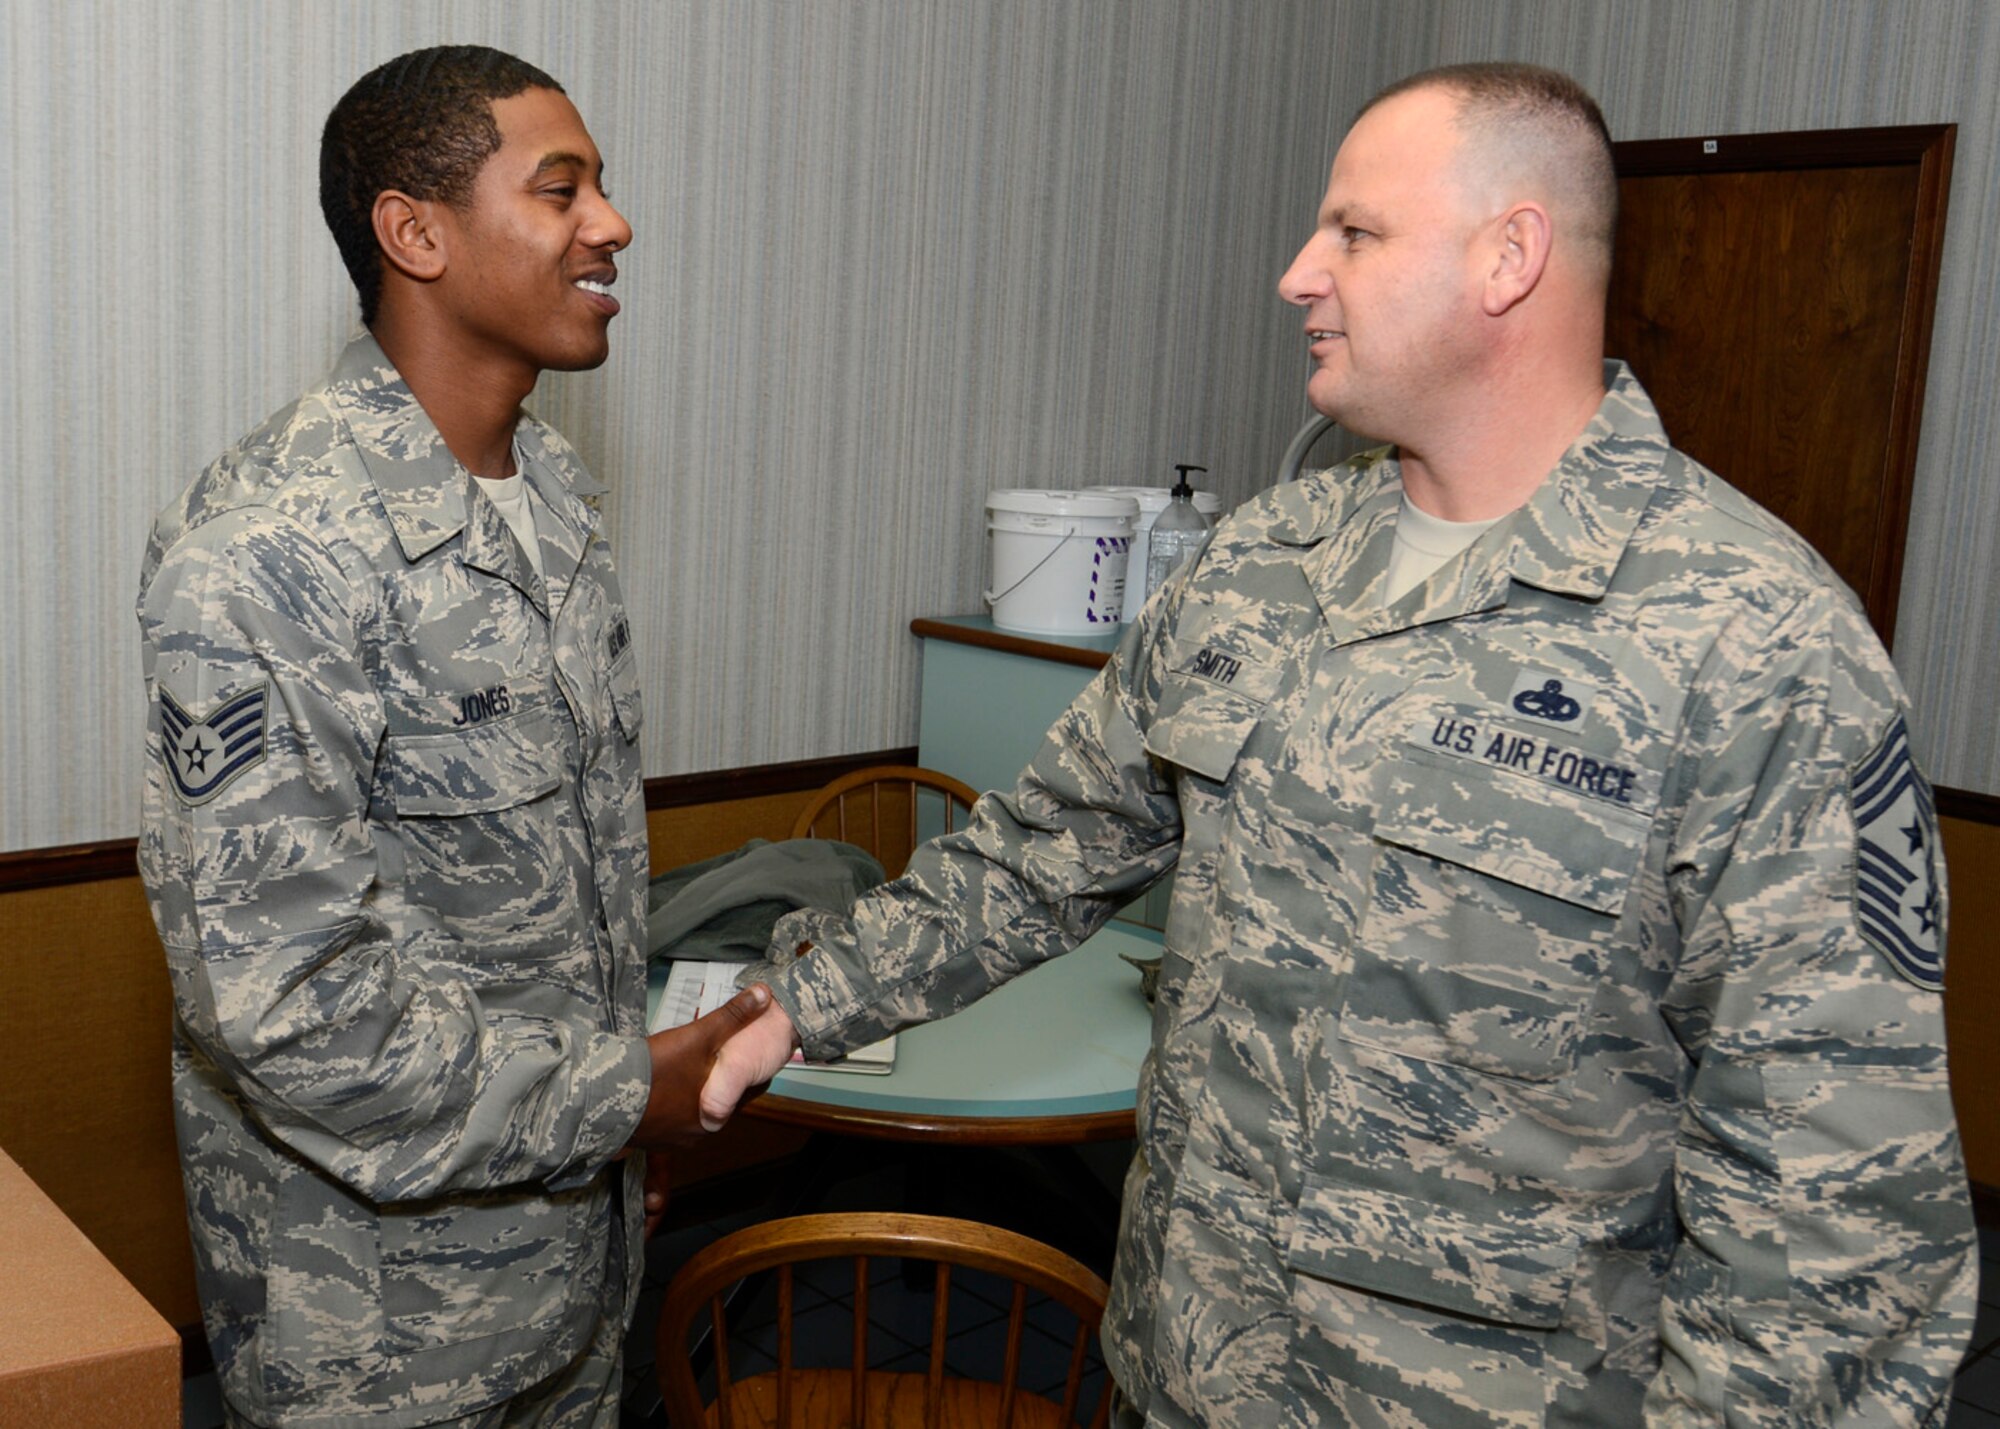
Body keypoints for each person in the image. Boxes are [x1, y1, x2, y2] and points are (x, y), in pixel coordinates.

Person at [702, 62, 1977, 1426]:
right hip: (1183, 1371)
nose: (1298, 275)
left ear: (1510, 256)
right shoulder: (1263, 559)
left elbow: (1830, 1231)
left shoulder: (1756, 642)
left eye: (1355, 233)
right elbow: (1039, 849)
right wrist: (799, 1002)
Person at [138, 45, 766, 1428]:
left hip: (576, 1261)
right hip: (383, 1334)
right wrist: (623, 1100)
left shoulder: (555, 497)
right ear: (414, 234)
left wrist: (615, 1144)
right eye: (561, 190)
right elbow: (294, 1008)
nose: (612, 224)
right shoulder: (271, 550)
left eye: (602, 188)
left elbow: (572, 893)